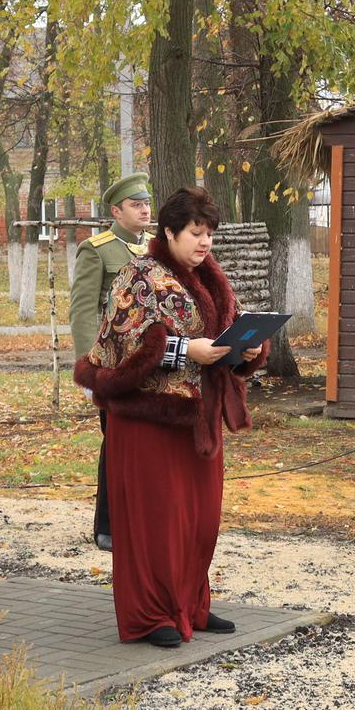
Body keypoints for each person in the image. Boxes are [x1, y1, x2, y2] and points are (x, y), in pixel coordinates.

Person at [76, 186, 270, 646]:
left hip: (198, 419)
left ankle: (191, 604)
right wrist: (186, 350)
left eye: (209, 235)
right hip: (149, 421)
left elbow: (224, 336)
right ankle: (150, 616)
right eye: (195, 233)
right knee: (155, 522)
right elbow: (122, 346)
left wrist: (246, 350)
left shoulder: (209, 276)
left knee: (199, 521)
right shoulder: (138, 275)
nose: (205, 243)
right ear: (169, 231)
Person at [70, 172, 155, 552]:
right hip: (113, 367)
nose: (145, 210)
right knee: (117, 443)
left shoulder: (155, 248)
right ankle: (108, 524)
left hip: (153, 365)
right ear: (116, 211)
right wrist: (91, 368)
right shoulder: (98, 250)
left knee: (148, 446)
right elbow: (84, 311)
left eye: (147, 204)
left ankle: (144, 519)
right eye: (136, 205)